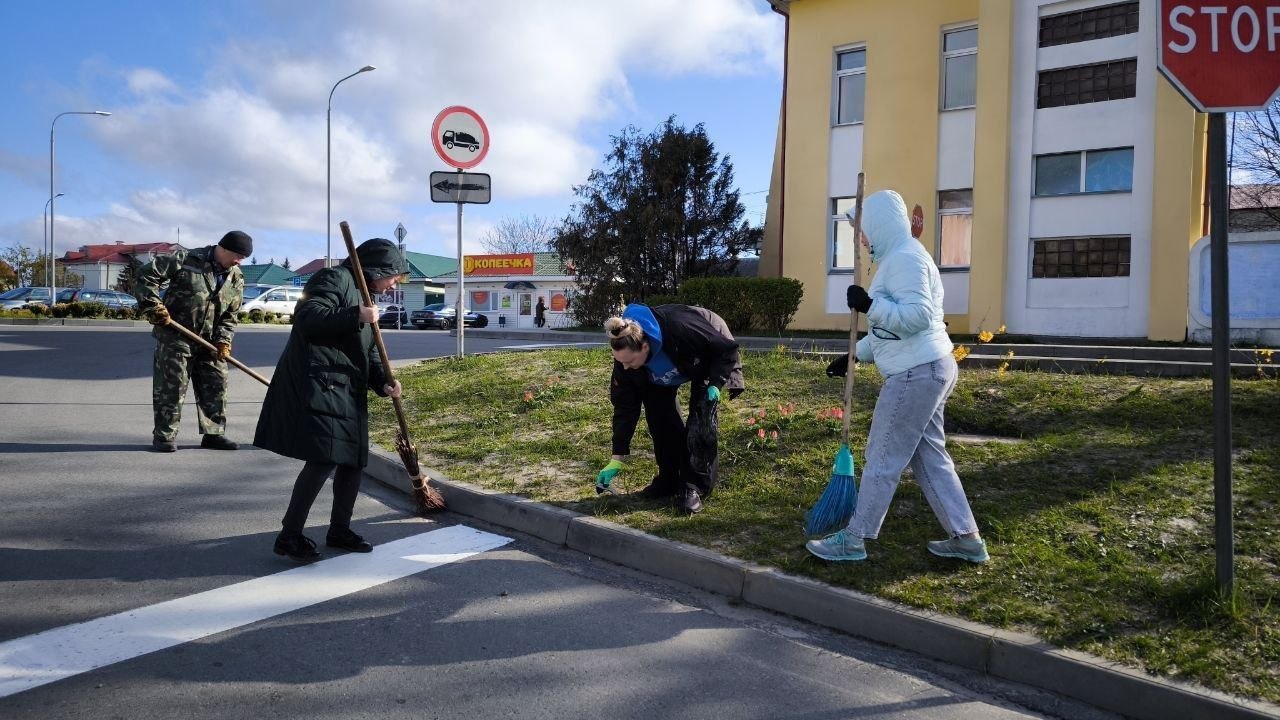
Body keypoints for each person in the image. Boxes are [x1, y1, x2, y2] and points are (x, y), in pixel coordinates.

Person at [807, 189, 988, 564]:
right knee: (929, 459)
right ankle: (967, 538)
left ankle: (854, 540)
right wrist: (855, 356)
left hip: (915, 374)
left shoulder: (905, 258)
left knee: (882, 456)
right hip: (928, 366)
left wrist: (871, 305)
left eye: (862, 231)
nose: (861, 239)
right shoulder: (899, 258)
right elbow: (894, 331)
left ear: (879, 225)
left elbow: (917, 317)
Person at [256, 238, 408, 562]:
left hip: (347, 387)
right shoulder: (334, 279)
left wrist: (384, 382)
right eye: (394, 276)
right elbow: (308, 318)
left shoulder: (365, 295)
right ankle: (290, 535)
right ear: (377, 269)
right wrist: (356, 314)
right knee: (324, 458)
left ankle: (340, 529)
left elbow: (368, 350)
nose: (395, 283)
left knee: (353, 459)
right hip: (323, 383)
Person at [598, 303, 744, 513]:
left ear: (645, 347)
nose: (625, 367)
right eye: (620, 362)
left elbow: (726, 350)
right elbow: (624, 408)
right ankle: (669, 478)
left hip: (705, 352)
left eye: (629, 361)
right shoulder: (626, 360)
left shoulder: (681, 328)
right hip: (667, 368)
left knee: (701, 419)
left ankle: (693, 487)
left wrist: (716, 383)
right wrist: (616, 459)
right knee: (660, 419)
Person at [134, 230, 251, 453]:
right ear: (223, 248)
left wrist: (224, 340)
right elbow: (145, 276)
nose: (238, 261)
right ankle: (164, 436)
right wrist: (153, 306)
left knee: (216, 384)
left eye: (242, 258)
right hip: (175, 336)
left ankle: (213, 434)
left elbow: (230, 314)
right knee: (172, 386)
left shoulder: (235, 276)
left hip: (210, 342)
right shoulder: (186, 260)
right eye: (237, 255)